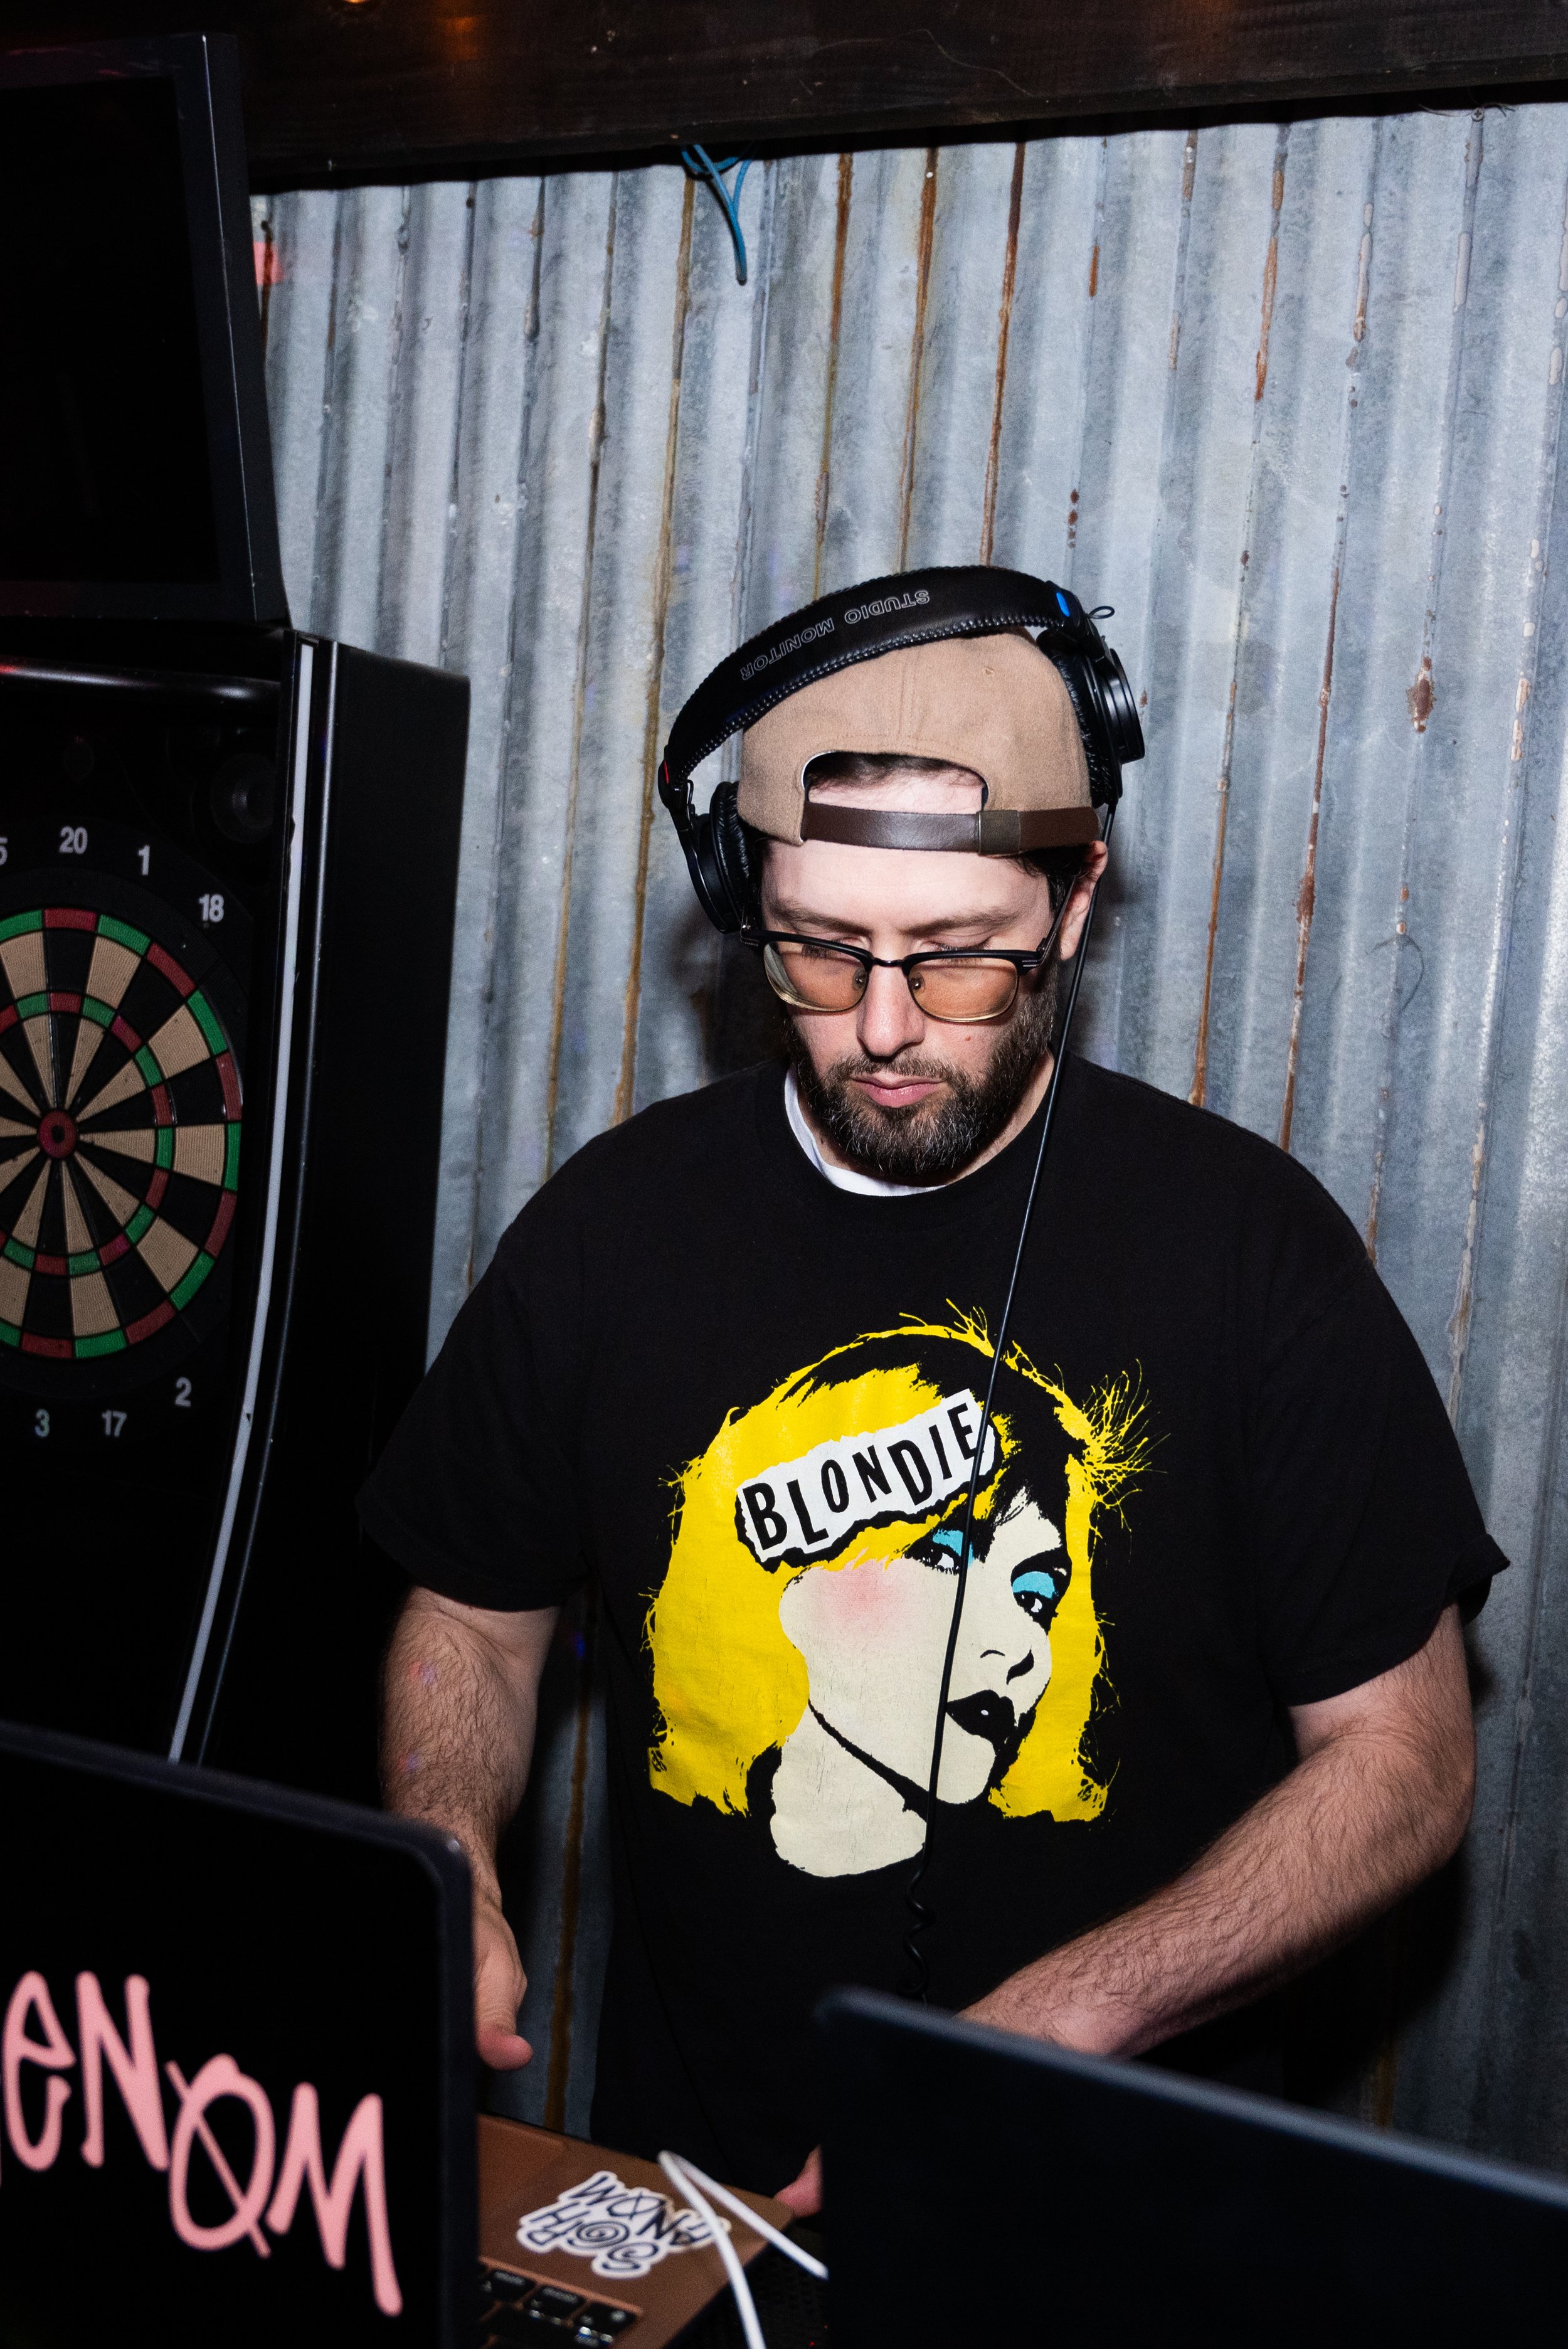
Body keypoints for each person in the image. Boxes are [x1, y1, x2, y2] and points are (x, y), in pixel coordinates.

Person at [361, 588, 1502, 2215]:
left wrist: (1059, 2019)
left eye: (960, 959)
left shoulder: (1252, 1263)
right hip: (698, 2208)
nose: (882, 1028)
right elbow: (471, 1620)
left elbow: (1404, 1763)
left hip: (1113, 2229)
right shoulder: (611, 1233)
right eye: (819, 951)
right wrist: (448, 1855)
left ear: (1075, 898)